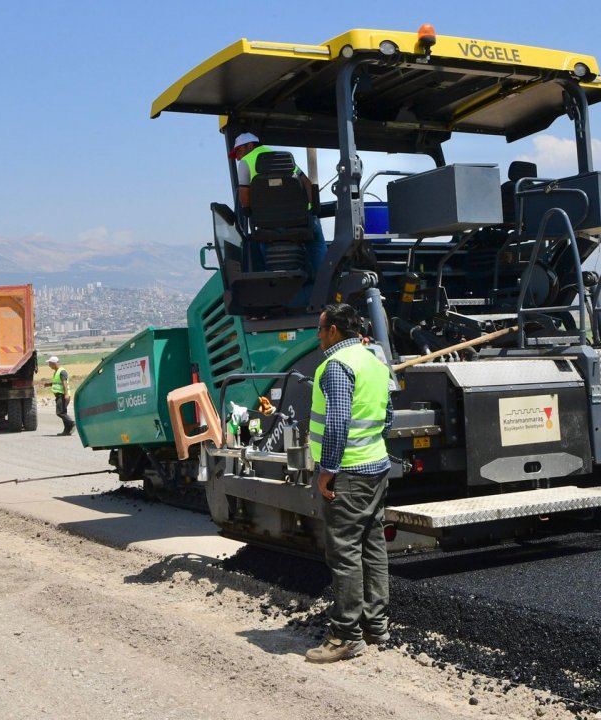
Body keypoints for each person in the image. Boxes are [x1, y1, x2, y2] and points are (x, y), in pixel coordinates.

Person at [304, 303, 394, 664]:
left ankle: (345, 635)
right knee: (373, 546)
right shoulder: (374, 360)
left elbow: (338, 423)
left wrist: (328, 469)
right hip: (376, 467)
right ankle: (377, 626)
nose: (318, 335)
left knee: (344, 553)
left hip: (349, 474)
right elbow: (387, 416)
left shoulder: (337, 365)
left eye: (321, 329)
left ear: (335, 332)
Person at [228, 131, 326, 276]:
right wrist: (313, 211)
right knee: (317, 243)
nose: (237, 157)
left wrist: (248, 211)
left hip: (267, 227)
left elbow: (244, 194)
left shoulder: (246, 162)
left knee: (260, 242)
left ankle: (268, 281)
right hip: (301, 222)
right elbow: (306, 182)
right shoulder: (283, 159)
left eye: (238, 151)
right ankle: (325, 281)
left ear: (249, 146)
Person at [44, 356, 75, 436]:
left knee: (60, 412)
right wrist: (49, 384)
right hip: (59, 395)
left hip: (63, 395)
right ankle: (66, 431)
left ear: (54, 363)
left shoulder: (62, 372)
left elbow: (64, 383)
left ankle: (72, 423)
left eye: (50, 363)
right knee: (63, 412)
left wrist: (66, 394)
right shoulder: (57, 371)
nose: (49, 365)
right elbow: (58, 383)